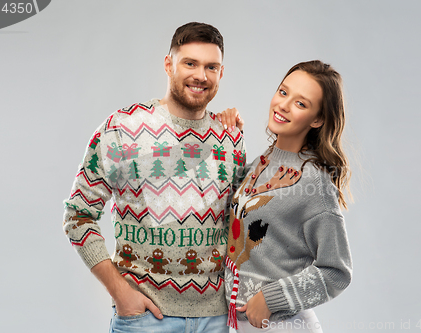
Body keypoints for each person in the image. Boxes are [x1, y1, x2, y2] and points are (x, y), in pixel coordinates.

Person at [62, 22, 246, 333]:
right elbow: (78, 216)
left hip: (217, 318)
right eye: (190, 63)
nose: (201, 75)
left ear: (221, 74)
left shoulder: (231, 138)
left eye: (211, 67)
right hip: (145, 318)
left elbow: (238, 224)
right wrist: (120, 293)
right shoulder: (121, 128)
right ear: (168, 64)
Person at [217, 60, 353, 332]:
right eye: (283, 92)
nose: (283, 105)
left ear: (317, 119)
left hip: (282, 326)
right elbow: (221, 209)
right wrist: (227, 140)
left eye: (301, 103)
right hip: (237, 324)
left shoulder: (314, 181)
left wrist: (271, 298)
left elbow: (337, 272)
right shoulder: (261, 163)